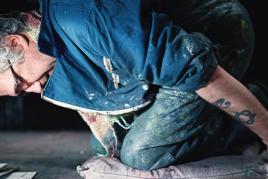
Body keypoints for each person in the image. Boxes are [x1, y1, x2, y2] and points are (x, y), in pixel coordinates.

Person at [0, 0, 268, 171]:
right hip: (160, 73)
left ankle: (255, 103)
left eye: (20, 82)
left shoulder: (85, 18)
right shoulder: (47, 51)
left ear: (15, 43)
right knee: (104, 150)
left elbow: (195, 70)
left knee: (141, 154)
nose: (31, 90)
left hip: (215, 32)